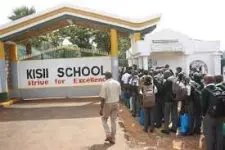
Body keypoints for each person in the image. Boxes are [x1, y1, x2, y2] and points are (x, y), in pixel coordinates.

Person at [201, 75, 224, 150]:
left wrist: (203, 114)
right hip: (221, 115)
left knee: (209, 134)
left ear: (205, 81)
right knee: (219, 134)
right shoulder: (220, 89)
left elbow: (203, 105)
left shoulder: (205, 90)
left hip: (210, 115)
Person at [99, 72, 121, 144]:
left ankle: (108, 134)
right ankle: (113, 138)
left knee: (104, 118)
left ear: (106, 76)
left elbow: (102, 98)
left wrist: (101, 108)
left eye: (105, 75)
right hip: (116, 102)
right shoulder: (117, 83)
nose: (104, 77)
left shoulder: (104, 84)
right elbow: (119, 94)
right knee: (113, 121)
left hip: (108, 103)